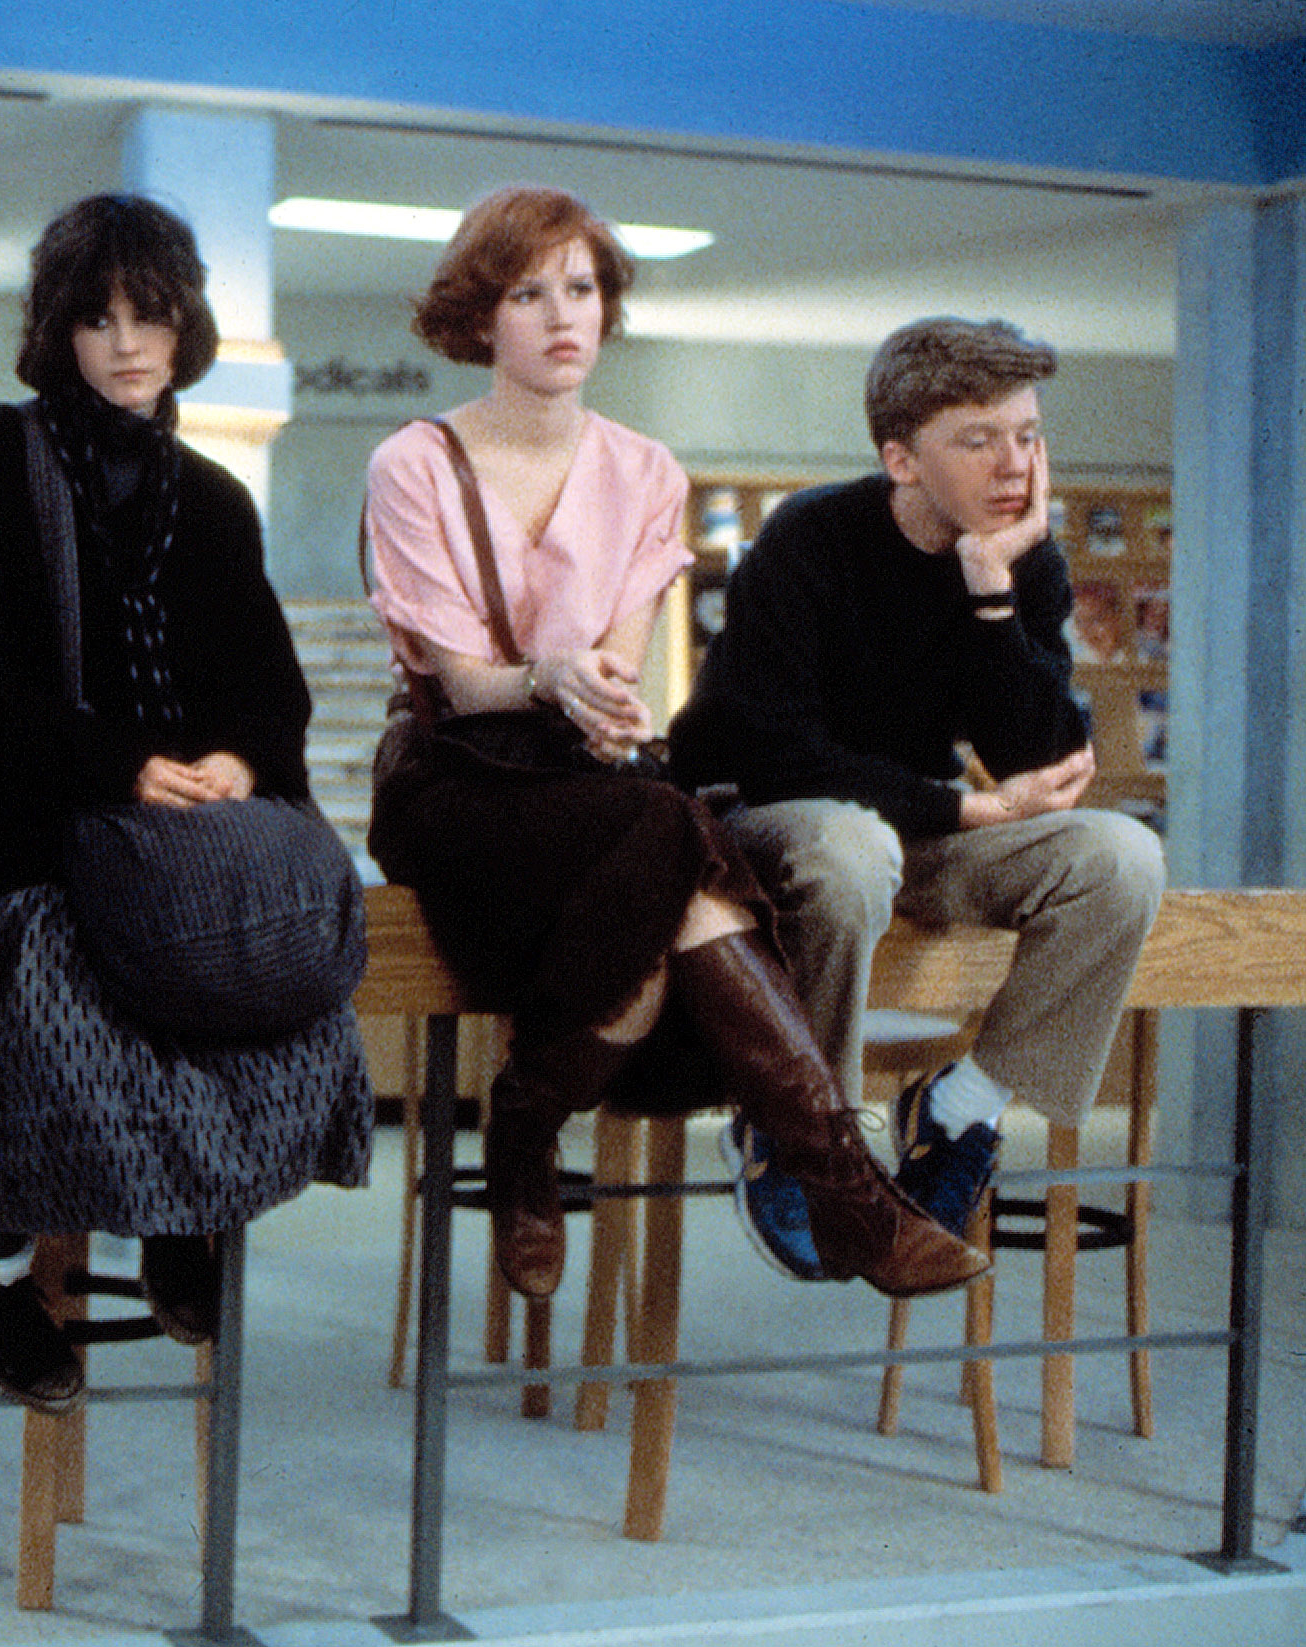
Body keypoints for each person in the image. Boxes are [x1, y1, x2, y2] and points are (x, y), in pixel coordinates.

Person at [362, 187, 988, 1303]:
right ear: (480, 318)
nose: (565, 314)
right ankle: (838, 1189)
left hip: (585, 785)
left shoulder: (646, 471)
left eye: (584, 288)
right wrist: (551, 681)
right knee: (675, 841)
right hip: (455, 778)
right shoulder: (413, 462)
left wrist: (593, 698)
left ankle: (538, 1131)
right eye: (529, 292)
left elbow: (620, 665)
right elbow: (459, 687)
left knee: (668, 882)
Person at [0, 194, 372, 1412]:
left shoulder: (213, 498)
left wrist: (240, 764)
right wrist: (114, 766)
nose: (125, 342)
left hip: (176, 845)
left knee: (273, 977)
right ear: (59, 329)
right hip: (28, 835)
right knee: (60, 988)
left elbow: (269, 688)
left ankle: (187, 1216)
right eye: (97, 316)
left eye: (149, 315)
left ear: (183, 330)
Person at [670, 316, 1165, 1273]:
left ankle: (957, 1110)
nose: (1012, 464)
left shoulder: (1025, 561)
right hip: (772, 823)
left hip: (912, 832)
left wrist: (991, 591)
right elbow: (770, 748)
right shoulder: (810, 536)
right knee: (854, 845)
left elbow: (1047, 759)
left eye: (1026, 434)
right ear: (902, 457)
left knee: (1121, 857)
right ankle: (799, 1130)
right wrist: (971, 809)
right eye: (977, 440)